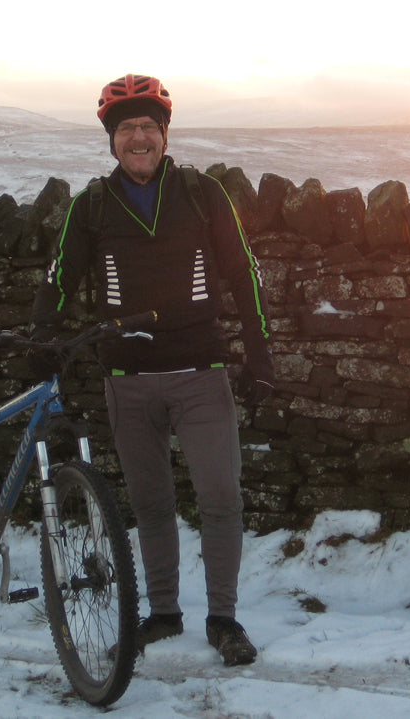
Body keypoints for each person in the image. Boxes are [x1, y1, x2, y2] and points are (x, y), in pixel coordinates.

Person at [31, 73, 274, 666]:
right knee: (150, 505)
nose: (138, 137)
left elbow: (243, 273)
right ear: (112, 140)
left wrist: (260, 352)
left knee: (220, 498)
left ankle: (224, 620)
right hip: (127, 379)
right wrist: (42, 340)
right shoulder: (91, 206)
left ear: (164, 135)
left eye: (148, 127)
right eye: (126, 129)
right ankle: (163, 612)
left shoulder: (201, 193)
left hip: (200, 371)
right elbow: (60, 279)